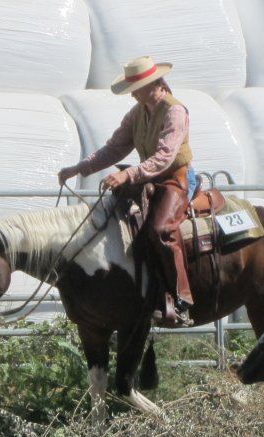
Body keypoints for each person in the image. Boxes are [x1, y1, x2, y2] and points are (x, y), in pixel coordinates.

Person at [58, 56, 197, 327]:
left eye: (136, 86)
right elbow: (115, 147)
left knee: (159, 230)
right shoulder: (138, 113)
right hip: (149, 179)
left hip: (175, 179)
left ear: (153, 84)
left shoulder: (174, 111)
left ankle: (181, 299)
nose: (132, 92)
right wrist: (80, 168)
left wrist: (127, 174)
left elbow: (165, 157)